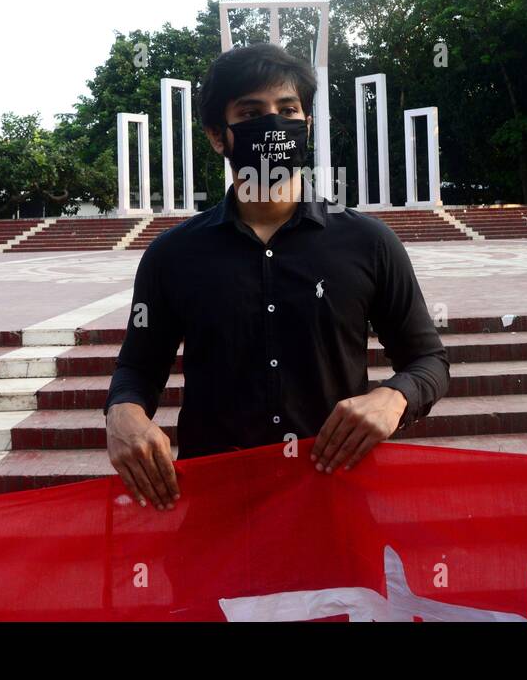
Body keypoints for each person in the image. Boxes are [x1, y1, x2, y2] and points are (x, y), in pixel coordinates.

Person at [104, 43, 451, 511]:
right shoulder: (172, 255)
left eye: (287, 109)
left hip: (335, 505)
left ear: (306, 124)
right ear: (216, 135)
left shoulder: (369, 243)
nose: (273, 123)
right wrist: (122, 413)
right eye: (251, 112)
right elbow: (138, 367)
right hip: (217, 509)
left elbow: (428, 359)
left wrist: (393, 398)